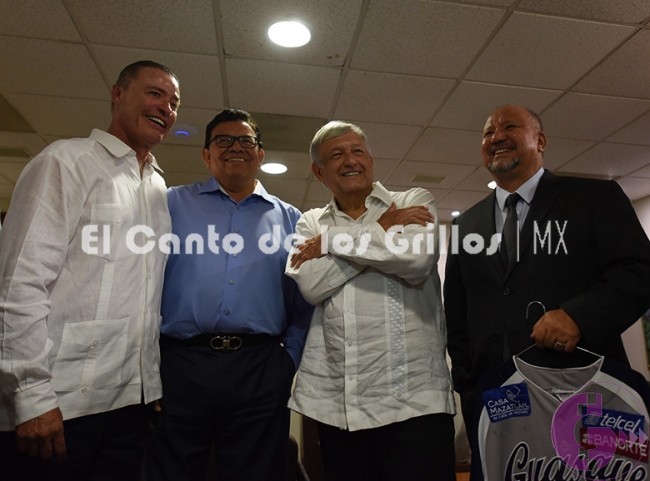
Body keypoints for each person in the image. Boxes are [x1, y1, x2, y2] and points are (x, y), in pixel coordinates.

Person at [0, 60, 180, 480]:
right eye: (155, 93)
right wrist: (31, 395)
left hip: (129, 407)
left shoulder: (157, 187)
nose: (166, 108)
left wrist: (148, 384)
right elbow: (19, 284)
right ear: (118, 93)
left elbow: (144, 294)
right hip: (59, 404)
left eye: (174, 103)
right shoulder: (66, 161)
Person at [444, 103, 650, 446]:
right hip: (496, 402)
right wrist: (467, 385)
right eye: (488, 132)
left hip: (583, 394)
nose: (496, 137)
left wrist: (579, 316)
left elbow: (640, 271)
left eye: (509, 127)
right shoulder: (465, 225)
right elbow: (458, 312)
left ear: (540, 141)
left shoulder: (593, 198)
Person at [145, 108, 313, 481]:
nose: (235, 147)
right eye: (223, 140)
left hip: (260, 369)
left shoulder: (292, 220)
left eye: (245, 141)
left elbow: (304, 302)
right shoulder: (170, 205)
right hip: (181, 364)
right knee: (172, 470)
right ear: (207, 154)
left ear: (260, 154)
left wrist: (286, 364)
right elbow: (143, 281)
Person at [286, 121, 456, 481]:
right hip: (340, 407)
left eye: (357, 151)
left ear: (371, 159)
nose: (351, 160)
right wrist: (381, 230)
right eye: (337, 155)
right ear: (319, 172)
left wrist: (332, 242)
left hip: (416, 404)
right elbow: (312, 285)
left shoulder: (412, 201)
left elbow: (415, 261)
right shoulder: (311, 222)